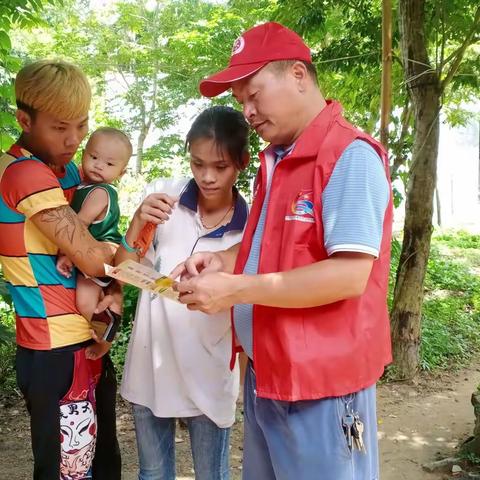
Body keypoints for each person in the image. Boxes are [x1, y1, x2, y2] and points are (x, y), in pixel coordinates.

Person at [172, 22, 393, 480]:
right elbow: (272, 251)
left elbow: (349, 275)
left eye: (254, 94)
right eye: (240, 102)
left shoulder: (347, 156)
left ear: (298, 74)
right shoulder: (278, 160)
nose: (247, 112)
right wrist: (222, 261)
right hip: (267, 374)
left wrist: (235, 289)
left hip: (321, 384)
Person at [0, 60, 121, 480]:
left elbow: (100, 259)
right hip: (53, 349)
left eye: (82, 127)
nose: (73, 140)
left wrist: (113, 299)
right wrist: (132, 239)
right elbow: (91, 258)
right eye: (59, 127)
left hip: (84, 340)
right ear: (24, 119)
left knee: (100, 460)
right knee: (68, 470)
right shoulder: (23, 172)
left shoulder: (68, 169)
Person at [116, 105, 250, 480]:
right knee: (153, 475)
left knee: (213, 475)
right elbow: (128, 266)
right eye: (197, 163)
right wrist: (138, 222)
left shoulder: (250, 228)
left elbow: (247, 308)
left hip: (209, 371)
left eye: (220, 167)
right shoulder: (164, 197)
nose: (206, 176)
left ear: (242, 162)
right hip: (150, 364)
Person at [56, 127, 132, 360]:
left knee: (86, 301)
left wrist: (68, 255)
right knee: (92, 298)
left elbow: (80, 223)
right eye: (94, 157)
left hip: (98, 253)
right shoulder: (85, 186)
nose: (99, 165)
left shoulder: (100, 191)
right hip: (90, 250)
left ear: (121, 172)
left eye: (109, 164)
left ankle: (106, 338)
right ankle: (105, 322)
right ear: (83, 154)